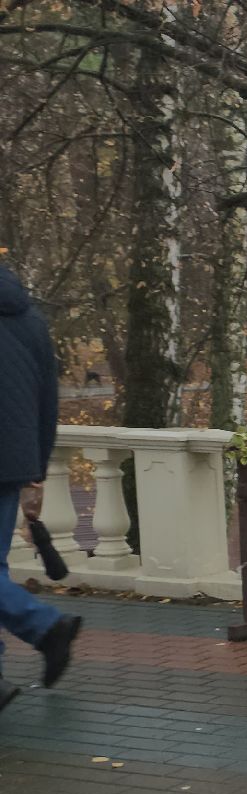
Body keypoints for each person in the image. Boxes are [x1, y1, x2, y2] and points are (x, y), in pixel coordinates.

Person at [0, 263, 82, 713]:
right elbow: (47, 399)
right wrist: (36, 468)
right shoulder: (29, 319)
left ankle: (45, 626)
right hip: (13, 461)